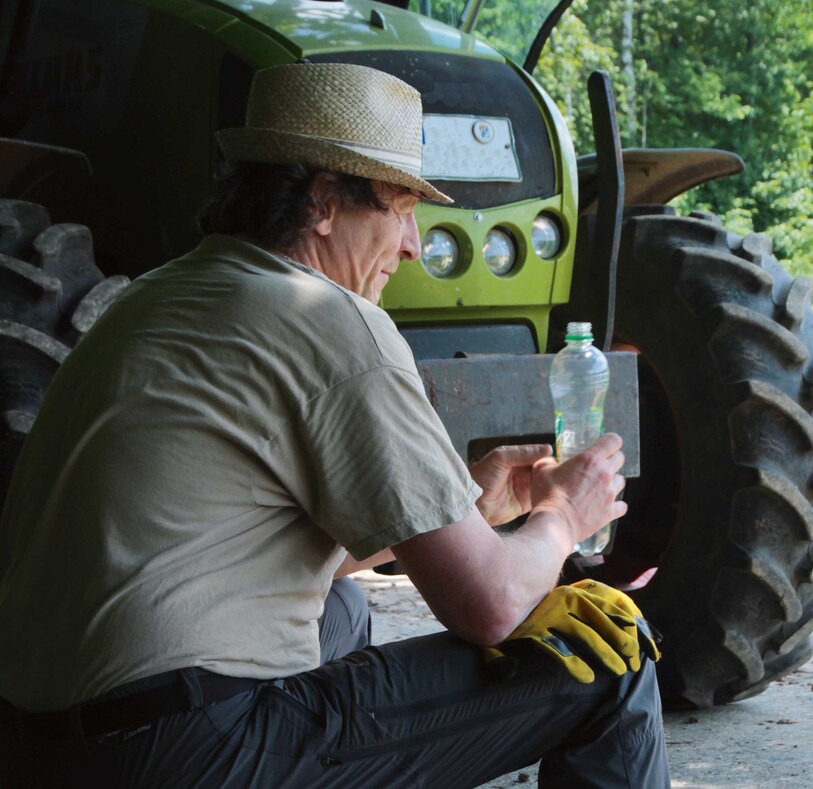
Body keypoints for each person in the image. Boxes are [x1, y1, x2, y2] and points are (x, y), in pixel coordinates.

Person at [0, 63, 670, 787]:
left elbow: (248, 546)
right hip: (180, 751)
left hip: (40, 750)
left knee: (339, 610)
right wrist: (563, 516)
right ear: (321, 202)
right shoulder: (329, 319)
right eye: (401, 208)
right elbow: (492, 605)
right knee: (612, 651)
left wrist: (469, 509)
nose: (411, 243)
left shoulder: (155, 297)